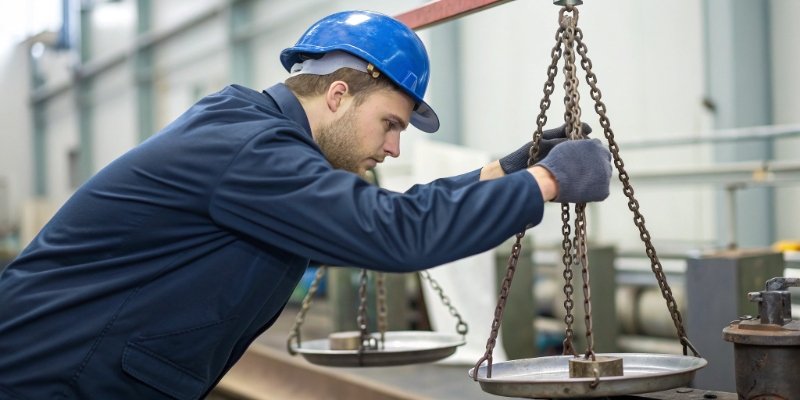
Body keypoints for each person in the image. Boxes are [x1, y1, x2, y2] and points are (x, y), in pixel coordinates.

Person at [0, 9, 611, 400]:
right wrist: (546, 184)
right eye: (390, 124)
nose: (395, 149)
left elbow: (394, 210)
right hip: (51, 380)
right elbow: (392, 233)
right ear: (339, 94)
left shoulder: (255, 136)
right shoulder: (248, 147)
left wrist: (503, 172)